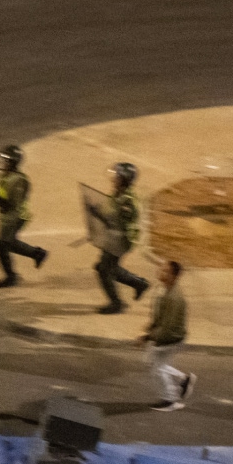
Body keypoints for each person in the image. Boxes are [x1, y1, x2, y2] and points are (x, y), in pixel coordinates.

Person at [90, 162, 149, 314]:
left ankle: (116, 303)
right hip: (113, 237)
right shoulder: (119, 194)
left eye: (117, 176)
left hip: (121, 240)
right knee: (106, 267)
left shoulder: (127, 202)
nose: (113, 178)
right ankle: (138, 283)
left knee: (104, 270)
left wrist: (98, 214)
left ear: (124, 179)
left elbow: (116, 222)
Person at [0, 144, 48, 287]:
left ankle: (11, 277)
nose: (2, 162)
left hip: (17, 217)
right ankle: (37, 253)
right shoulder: (5, 176)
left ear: (12, 162)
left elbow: (12, 204)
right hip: (7, 216)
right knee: (6, 243)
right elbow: (2, 197)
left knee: (1, 244)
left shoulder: (19, 180)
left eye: (5, 160)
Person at [136, 259, 192, 411]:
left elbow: (167, 327)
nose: (161, 271)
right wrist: (149, 332)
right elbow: (159, 317)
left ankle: (170, 400)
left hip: (170, 339)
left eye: (166, 271)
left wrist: (149, 338)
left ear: (174, 277)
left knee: (156, 368)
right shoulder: (165, 290)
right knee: (157, 365)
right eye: (162, 268)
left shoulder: (174, 298)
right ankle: (183, 380)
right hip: (167, 336)